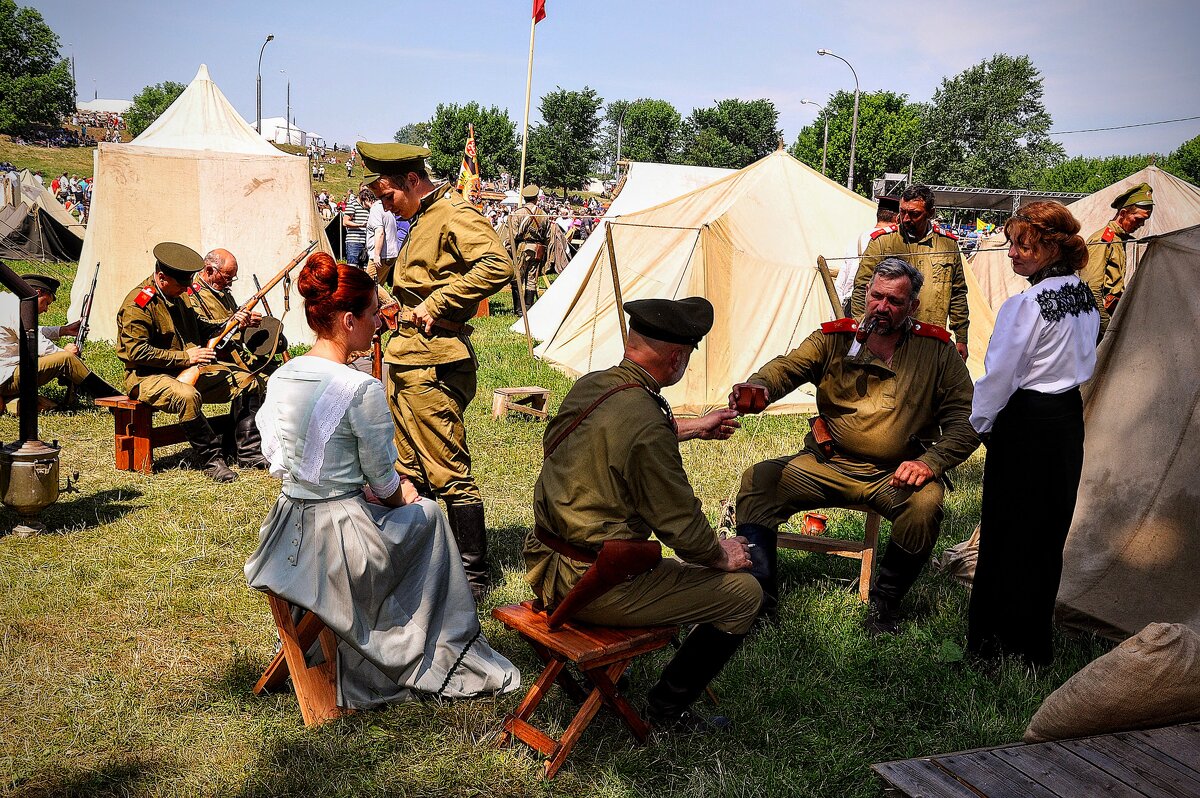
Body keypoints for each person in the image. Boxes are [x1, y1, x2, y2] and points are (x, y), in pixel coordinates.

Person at [244, 252, 519, 707]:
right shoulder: (361, 389)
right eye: (375, 313)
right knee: (428, 515)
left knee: (408, 513)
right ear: (349, 320)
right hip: (338, 541)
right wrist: (398, 493)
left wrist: (349, 484)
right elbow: (385, 483)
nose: (381, 322)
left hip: (286, 528)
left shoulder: (283, 374)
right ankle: (434, 646)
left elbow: (280, 459)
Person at [525, 297, 761, 730]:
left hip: (545, 563)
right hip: (593, 585)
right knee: (744, 593)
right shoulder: (647, 422)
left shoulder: (594, 385)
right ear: (677, 357)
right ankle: (666, 710)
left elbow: (622, 432)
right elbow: (681, 526)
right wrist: (720, 555)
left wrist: (694, 425)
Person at [733, 258, 979, 633]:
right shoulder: (835, 338)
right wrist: (760, 386)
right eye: (876, 296)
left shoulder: (937, 351)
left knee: (925, 504)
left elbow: (968, 420)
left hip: (894, 475)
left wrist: (931, 462)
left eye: (894, 301)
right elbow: (787, 367)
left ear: (913, 306)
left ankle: (885, 605)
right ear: (866, 293)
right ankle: (759, 600)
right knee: (759, 482)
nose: (882, 307)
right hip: (828, 465)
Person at [357, 141, 515, 600]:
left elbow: (497, 264)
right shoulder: (422, 219)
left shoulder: (451, 212)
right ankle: (426, 558)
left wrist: (436, 304)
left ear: (412, 180)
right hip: (408, 358)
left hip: (433, 361)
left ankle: (473, 576)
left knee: (447, 469)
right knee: (410, 467)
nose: (388, 207)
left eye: (389, 197)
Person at [967, 202, 1098, 666]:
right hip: (1066, 421)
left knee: (1006, 532)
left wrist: (981, 425)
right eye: (1012, 243)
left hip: (1028, 421)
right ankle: (1031, 644)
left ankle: (992, 645)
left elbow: (999, 375)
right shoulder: (1084, 296)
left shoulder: (1024, 305)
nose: (1012, 253)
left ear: (1050, 248)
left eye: (1024, 244)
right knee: (1046, 533)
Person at [115, 242, 265, 482]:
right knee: (187, 397)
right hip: (147, 377)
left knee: (248, 381)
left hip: (186, 370)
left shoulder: (179, 296)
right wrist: (186, 357)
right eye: (181, 284)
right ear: (162, 278)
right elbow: (136, 352)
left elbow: (203, 328)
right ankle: (212, 460)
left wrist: (233, 322)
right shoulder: (138, 305)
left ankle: (247, 452)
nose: (187, 289)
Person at [851, 184, 970, 360]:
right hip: (887, 338)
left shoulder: (947, 245)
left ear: (931, 213)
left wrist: (961, 337)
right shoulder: (883, 242)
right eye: (902, 212)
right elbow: (862, 287)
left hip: (931, 339)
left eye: (914, 214)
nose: (906, 219)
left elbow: (957, 294)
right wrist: (862, 327)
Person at [0, 274, 119, 407]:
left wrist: (63, 330)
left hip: (4, 375)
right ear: (38, 293)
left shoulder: (8, 301)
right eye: (46, 303)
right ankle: (114, 399)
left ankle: (10, 402)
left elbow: (29, 329)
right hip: (6, 377)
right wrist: (63, 352)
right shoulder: (16, 309)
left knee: (46, 404)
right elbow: (39, 344)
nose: (46, 309)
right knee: (66, 360)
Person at [1081, 182, 1153, 339]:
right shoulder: (1103, 239)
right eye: (1138, 219)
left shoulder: (1119, 239)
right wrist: (1108, 330)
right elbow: (1092, 289)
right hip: (1099, 323)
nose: (1141, 225)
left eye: (1145, 220)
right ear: (1124, 213)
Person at [837, 196, 899, 310]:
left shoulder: (857, 239)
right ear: (897, 218)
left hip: (848, 304)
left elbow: (841, 282)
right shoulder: (892, 241)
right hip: (873, 306)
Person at [506, 184, 549, 317]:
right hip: (537, 248)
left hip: (522, 248)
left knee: (517, 278)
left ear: (524, 198)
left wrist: (509, 250)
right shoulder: (543, 214)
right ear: (536, 198)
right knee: (532, 279)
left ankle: (519, 310)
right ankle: (528, 309)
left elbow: (511, 236)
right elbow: (547, 236)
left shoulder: (518, 213)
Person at [365, 192, 399, 282]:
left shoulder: (375, 209)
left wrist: (376, 255)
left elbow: (379, 232)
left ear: (367, 200)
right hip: (391, 254)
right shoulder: (386, 209)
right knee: (378, 284)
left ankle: (388, 297)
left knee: (369, 284)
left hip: (381, 255)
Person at [343, 188, 372, 267]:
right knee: (352, 267)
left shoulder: (370, 208)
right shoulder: (352, 204)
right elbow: (345, 222)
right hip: (354, 241)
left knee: (365, 268)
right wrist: (360, 225)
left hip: (367, 242)